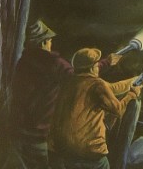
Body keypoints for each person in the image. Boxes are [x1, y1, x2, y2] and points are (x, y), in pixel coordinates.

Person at [12, 20, 123, 169]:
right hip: (42, 135)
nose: (51, 44)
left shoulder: (22, 63)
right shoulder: (54, 63)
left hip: (20, 134)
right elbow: (80, 78)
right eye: (50, 41)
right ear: (44, 42)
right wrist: (106, 62)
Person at [50, 47, 143, 169]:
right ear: (92, 67)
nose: (99, 66)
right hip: (89, 154)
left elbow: (113, 88)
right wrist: (132, 94)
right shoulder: (97, 84)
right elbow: (118, 110)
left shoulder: (71, 81)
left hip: (62, 152)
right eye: (97, 64)